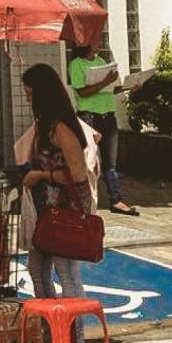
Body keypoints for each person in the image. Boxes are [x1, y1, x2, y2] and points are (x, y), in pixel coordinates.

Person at [21, 63, 94, 343]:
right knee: (37, 270)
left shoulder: (61, 128)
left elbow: (77, 174)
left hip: (64, 212)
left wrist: (41, 175)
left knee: (67, 274)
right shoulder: (43, 126)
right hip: (44, 212)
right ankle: (53, 331)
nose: (28, 99)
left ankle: (75, 341)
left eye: (30, 93)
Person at [68, 44, 139, 216]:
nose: (99, 44)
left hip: (108, 116)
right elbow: (83, 92)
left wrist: (129, 87)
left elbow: (110, 89)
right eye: (95, 41)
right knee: (88, 161)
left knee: (110, 163)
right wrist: (105, 81)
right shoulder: (76, 64)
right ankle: (82, 201)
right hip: (89, 117)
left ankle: (116, 200)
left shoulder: (100, 61)